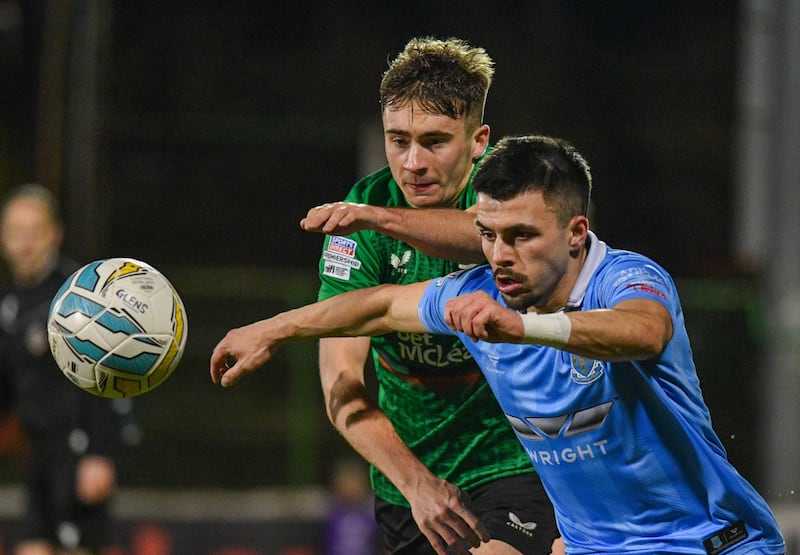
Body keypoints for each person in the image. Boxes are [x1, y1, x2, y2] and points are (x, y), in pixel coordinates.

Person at [211, 135, 786, 554]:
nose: (500, 254)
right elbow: (379, 304)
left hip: (708, 541)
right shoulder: (478, 290)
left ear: (576, 233)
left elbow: (643, 331)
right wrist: (271, 329)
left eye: (521, 236)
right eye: (486, 235)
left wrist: (524, 327)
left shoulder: (624, 277)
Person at [299, 37, 562, 555]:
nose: (413, 162)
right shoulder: (358, 220)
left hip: (516, 462)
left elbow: (484, 231)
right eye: (398, 140)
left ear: (478, 140)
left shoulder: (513, 195)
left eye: (435, 141)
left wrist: (381, 220)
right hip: (408, 483)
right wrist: (415, 482)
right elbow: (341, 383)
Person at [0, 184, 127, 555]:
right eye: (14, 233)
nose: (23, 243)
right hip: (36, 455)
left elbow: (108, 375)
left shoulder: (78, 296)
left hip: (77, 452)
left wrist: (101, 453)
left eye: (33, 232)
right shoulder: (8, 304)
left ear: (54, 234)